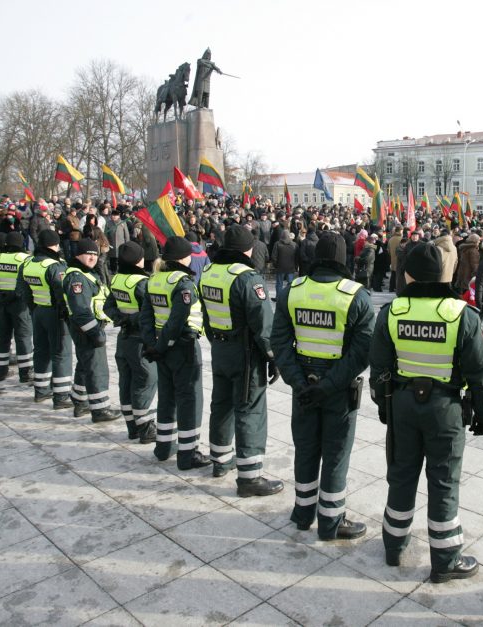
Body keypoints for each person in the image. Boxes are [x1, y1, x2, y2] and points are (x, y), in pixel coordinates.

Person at [369, 243, 483, 583]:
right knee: (443, 481)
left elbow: (379, 366)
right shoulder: (461, 313)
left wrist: (384, 404)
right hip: (446, 408)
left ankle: (394, 545)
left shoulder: (392, 312)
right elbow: (480, 370)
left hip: (403, 404)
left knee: (401, 473)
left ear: (407, 275)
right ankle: (445, 559)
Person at [271, 231, 374, 539]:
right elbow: (362, 351)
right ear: (344, 260)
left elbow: (279, 340)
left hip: (302, 384)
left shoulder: (293, 290)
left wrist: (298, 382)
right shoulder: (356, 295)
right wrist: (329, 385)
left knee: (305, 448)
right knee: (335, 453)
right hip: (338, 388)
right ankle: (330, 521)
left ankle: (303, 513)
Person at [200, 225, 282, 496]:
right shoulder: (248, 278)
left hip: (220, 348)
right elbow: (263, 324)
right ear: (248, 249)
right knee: (250, 409)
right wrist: (273, 356)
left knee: (221, 404)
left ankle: (220, 460)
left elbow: (206, 314)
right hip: (245, 354)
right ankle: (250, 478)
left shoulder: (209, 272)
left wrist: (216, 340)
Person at [140, 236, 210, 470]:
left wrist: (152, 345)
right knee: (189, 399)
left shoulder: (154, 279)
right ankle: (188, 453)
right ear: (184, 257)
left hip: (161, 346)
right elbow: (177, 320)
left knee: (167, 396)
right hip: (181, 346)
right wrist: (162, 346)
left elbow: (146, 317)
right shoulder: (183, 283)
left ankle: (163, 447)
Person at [63, 238, 121, 423]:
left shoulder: (86, 273)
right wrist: (95, 332)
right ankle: (100, 408)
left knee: (85, 363)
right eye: (88, 254)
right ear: (78, 254)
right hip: (87, 328)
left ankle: (80, 399)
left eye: (95, 254)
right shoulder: (77, 277)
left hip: (89, 326)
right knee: (97, 368)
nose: (92, 257)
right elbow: (80, 310)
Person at [104, 241, 157, 443]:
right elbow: (148, 313)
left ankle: (132, 427)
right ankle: (145, 427)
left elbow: (108, 307)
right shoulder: (142, 282)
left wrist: (121, 318)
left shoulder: (117, 279)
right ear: (138, 260)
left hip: (124, 338)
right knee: (145, 380)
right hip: (140, 339)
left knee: (126, 382)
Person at [17, 230, 73, 408]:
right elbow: (62, 292)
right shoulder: (55, 266)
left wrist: (34, 308)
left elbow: (23, 291)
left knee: (41, 351)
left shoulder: (28, 263)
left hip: (37, 311)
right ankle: (62, 395)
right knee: (61, 353)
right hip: (55, 314)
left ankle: (41, 391)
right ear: (56, 245)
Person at [0, 231, 33, 382]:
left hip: (0, 302)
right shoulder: (26, 259)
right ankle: (25, 372)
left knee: (1, 337)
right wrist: (16, 294)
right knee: (23, 337)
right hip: (19, 303)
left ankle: (1, 371)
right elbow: (29, 280)